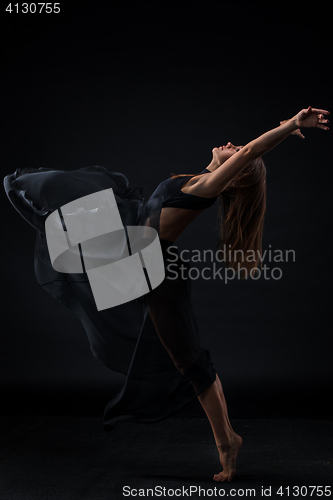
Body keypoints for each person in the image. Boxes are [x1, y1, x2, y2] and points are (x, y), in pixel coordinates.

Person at [3, 106, 329, 483]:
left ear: (235, 176)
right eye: (236, 147)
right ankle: (227, 438)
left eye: (237, 151)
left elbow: (250, 154)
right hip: (136, 253)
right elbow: (243, 158)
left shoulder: (206, 189)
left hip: (156, 271)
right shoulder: (200, 179)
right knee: (177, 356)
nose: (233, 145)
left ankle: (227, 443)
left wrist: (289, 126)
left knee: (187, 361)